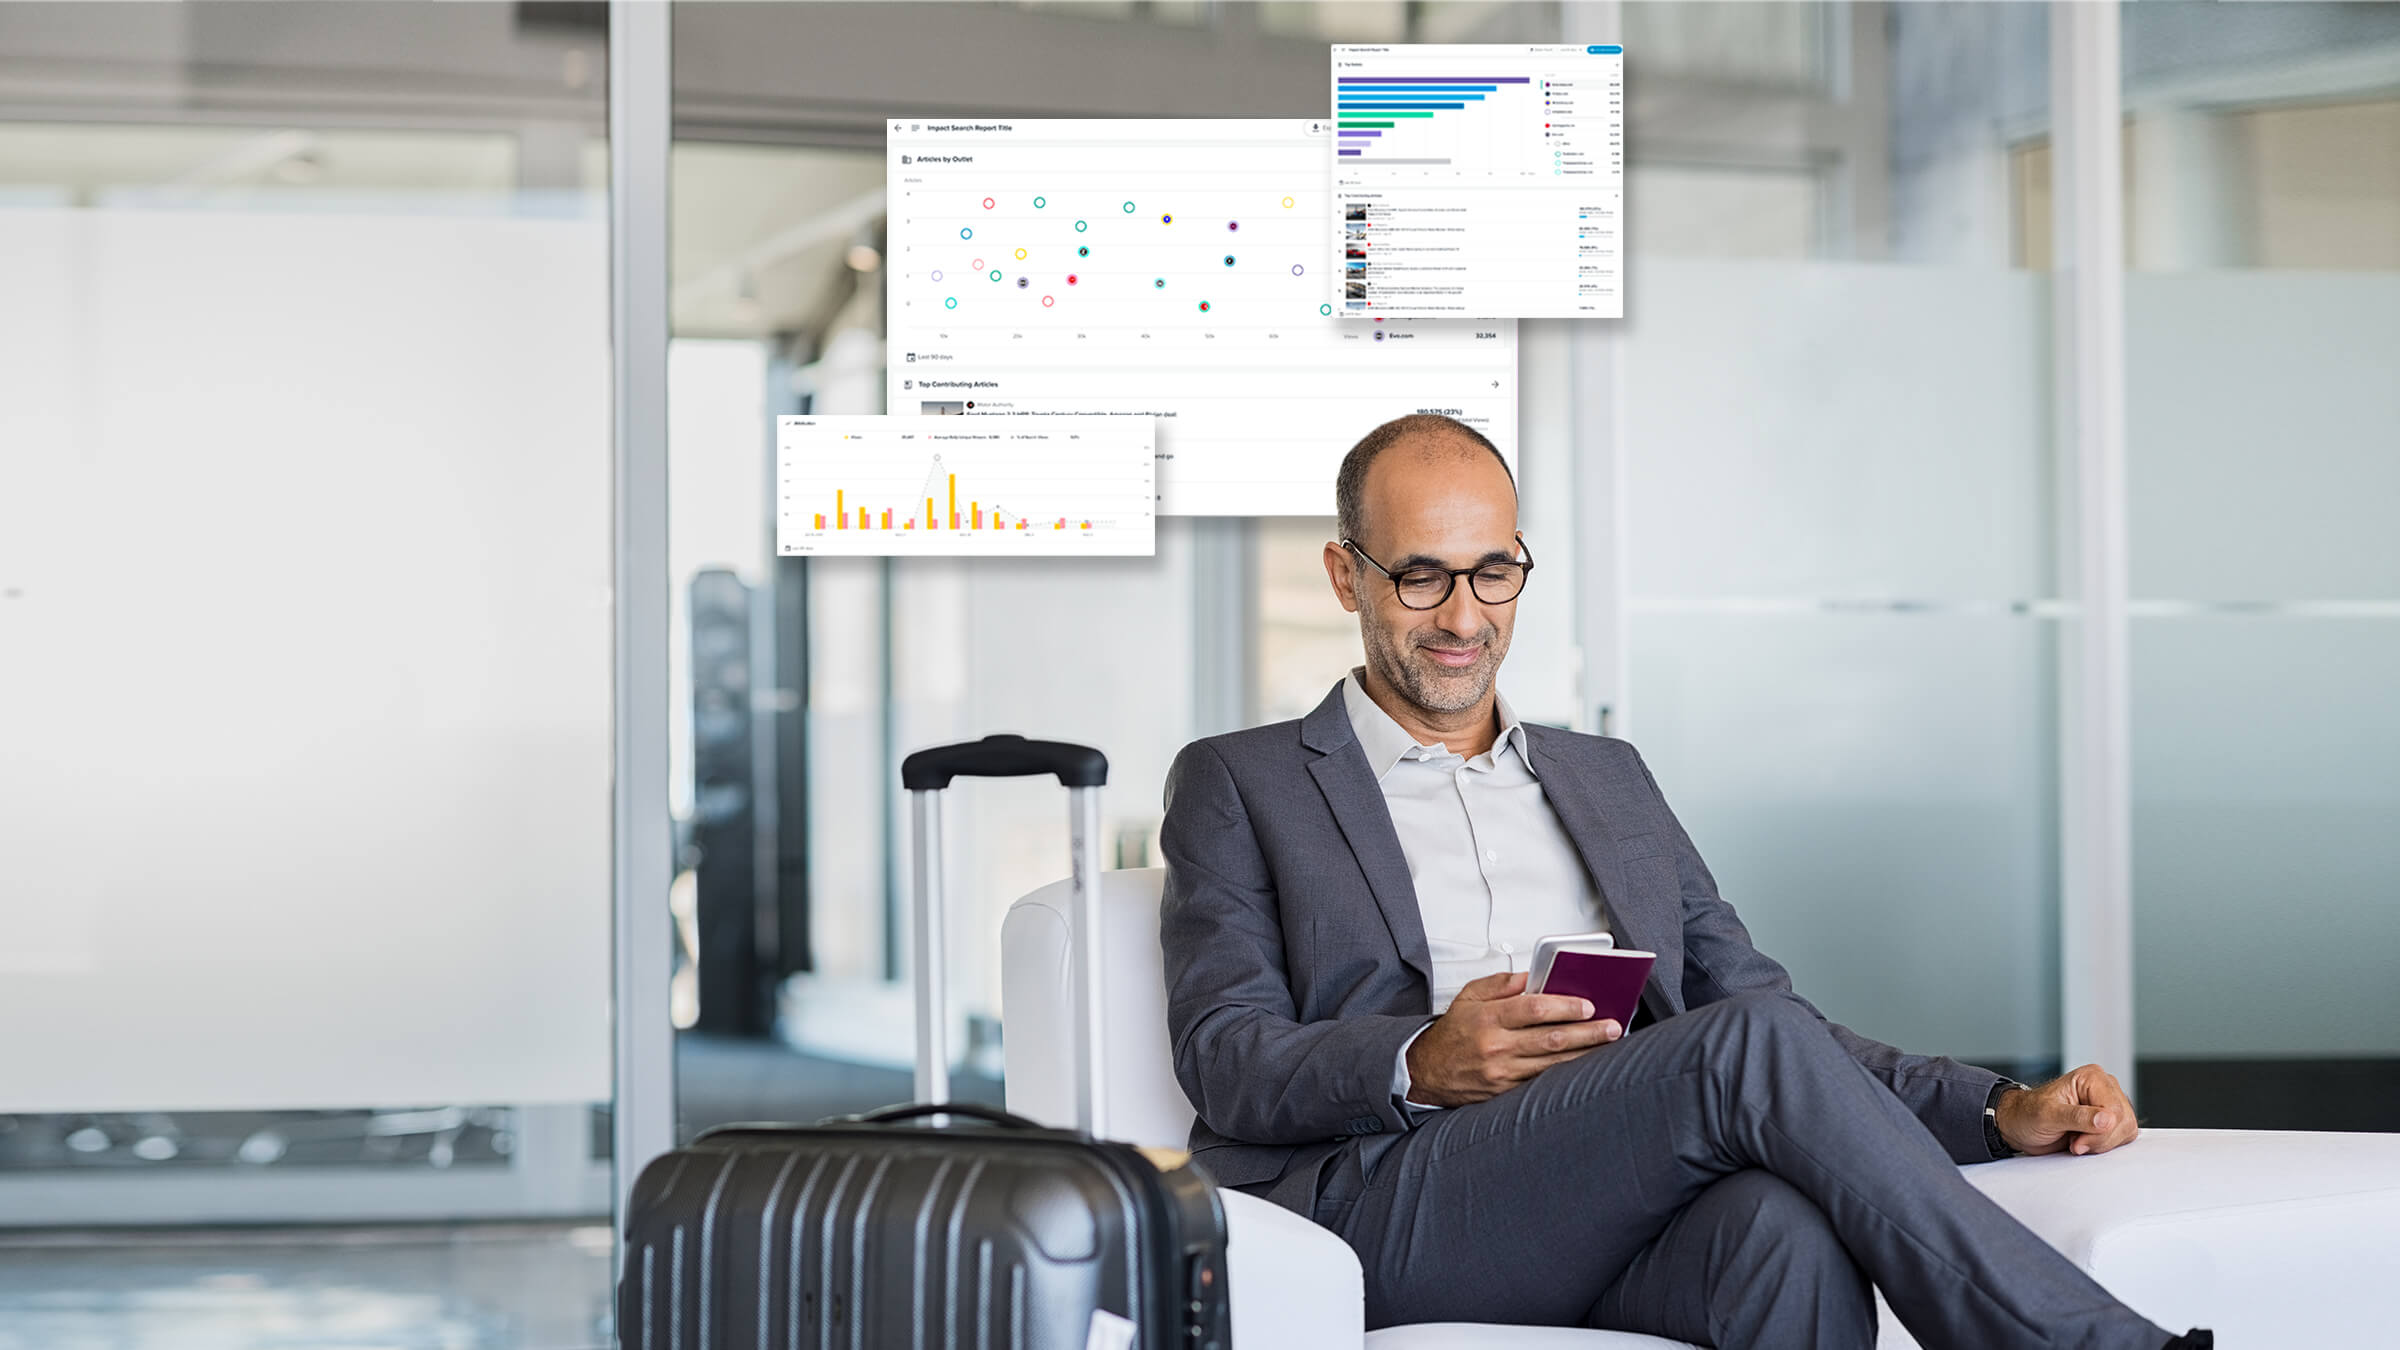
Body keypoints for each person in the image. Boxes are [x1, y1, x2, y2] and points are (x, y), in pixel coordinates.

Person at [1156, 414, 2210, 1349]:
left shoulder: (1604, 778)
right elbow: (1226, 1057)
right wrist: (1421, 1061)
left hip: (1609, 1196)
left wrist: (1999, 1110)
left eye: (1494, 572)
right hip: (1392, 1205)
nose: (1464, 616)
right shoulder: (1243, 782)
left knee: (1784, 1232)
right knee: (1741, 1051)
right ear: (1348, 576)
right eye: (1420, 575)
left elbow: (1765, 1019)